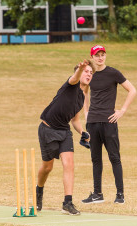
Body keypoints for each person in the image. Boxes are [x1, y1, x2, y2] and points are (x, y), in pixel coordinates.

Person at [36, 59, 94, 215]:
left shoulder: (82, 98)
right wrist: (80, 69)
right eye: (86, 71)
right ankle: (39, 191)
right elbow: (74, 77)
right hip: (47, 129)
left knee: (69, 164)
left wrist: (83, 132)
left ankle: (67, 203)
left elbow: (74, 120)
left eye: (91, 73)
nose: (88, 74)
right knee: (47, 167)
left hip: (64, 131)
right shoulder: (71, 84)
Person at [82, 45, 136, 204]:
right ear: (92, 57)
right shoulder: (89, 74)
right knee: (95, 159)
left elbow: (132, 90)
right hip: (92, 122)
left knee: (114, 157)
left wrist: (122, 110)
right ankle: (97, 194)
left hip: (109, 121)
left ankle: (120, 195)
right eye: (97, 55)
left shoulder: (113, 73)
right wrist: (86, 112)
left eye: (102, 55)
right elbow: (84, 91)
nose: (100, 58)